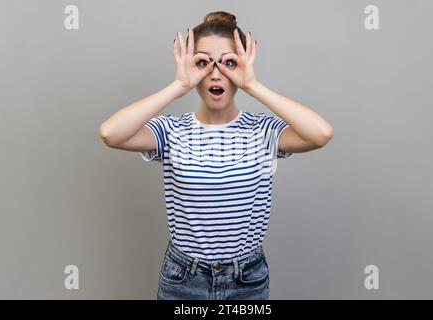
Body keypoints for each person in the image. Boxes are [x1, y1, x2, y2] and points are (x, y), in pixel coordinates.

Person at [98, 11, 334, 300]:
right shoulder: (171, 130)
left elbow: (320, 133)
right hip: (183, 277)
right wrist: (179, 86)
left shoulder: (263, 130)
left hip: (246, 278)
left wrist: (253, 85)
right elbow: (111, 133)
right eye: (202, 62)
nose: (215, 73)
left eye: (229, 63)